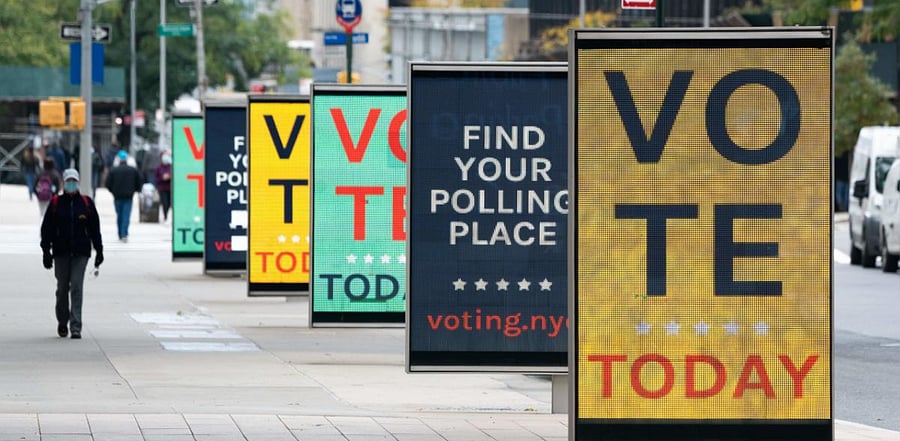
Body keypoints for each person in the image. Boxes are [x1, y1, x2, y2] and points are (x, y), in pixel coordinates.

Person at [40, 169, 103, 339]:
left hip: (80, 253)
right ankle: (62, 320)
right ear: (63, 183)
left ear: (78, 182)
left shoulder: (86, 203)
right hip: (60, 252)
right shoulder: (55, 204)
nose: (71, 184)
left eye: (74, 181)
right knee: (62, 289)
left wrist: (99, 250)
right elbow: (47, 230)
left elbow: (94, 229)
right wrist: (46, 251)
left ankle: (76, 326)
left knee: (76, 287)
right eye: (68, 181)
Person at [105, 150, 142, 242]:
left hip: (117, 196)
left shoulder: (113, 170)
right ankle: (124, 233)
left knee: (119, 215)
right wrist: (135, 190)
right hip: (128, 196)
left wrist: (113, 191)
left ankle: (120, 233)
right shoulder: (133, 170)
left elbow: (107, 183)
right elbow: (139, 182)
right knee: (126, 215)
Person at [154, 151, 173, 223]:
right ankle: (165, 216)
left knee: (169, 203)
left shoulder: (171, 167)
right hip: (162, 188)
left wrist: (169, 177)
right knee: (164, 202)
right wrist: (162, 178)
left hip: (170, 188)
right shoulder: (158, 168)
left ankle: (167, 214)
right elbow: (156, 178)